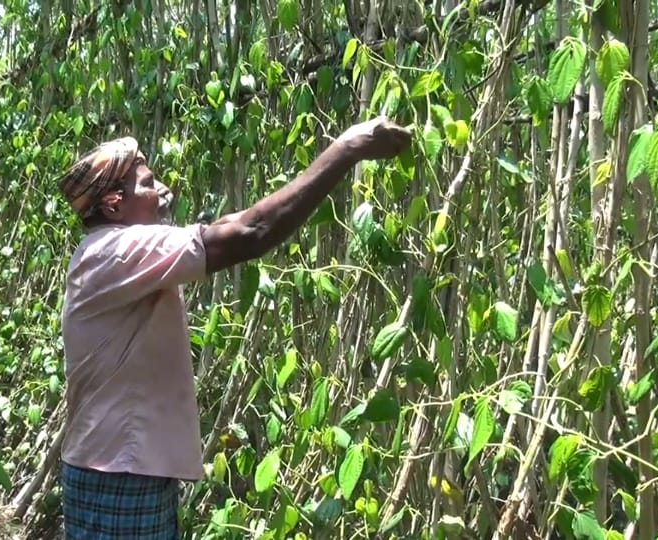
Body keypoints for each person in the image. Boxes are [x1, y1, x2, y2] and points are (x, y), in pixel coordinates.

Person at [55, 116, 412, 539]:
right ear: (114, 204)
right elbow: (250, 232)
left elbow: (235, 222)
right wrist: (348, 148)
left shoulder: (113, 253)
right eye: (149, 185)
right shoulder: (116, 252)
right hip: (120, 476)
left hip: (121, 470)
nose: (165, 192)